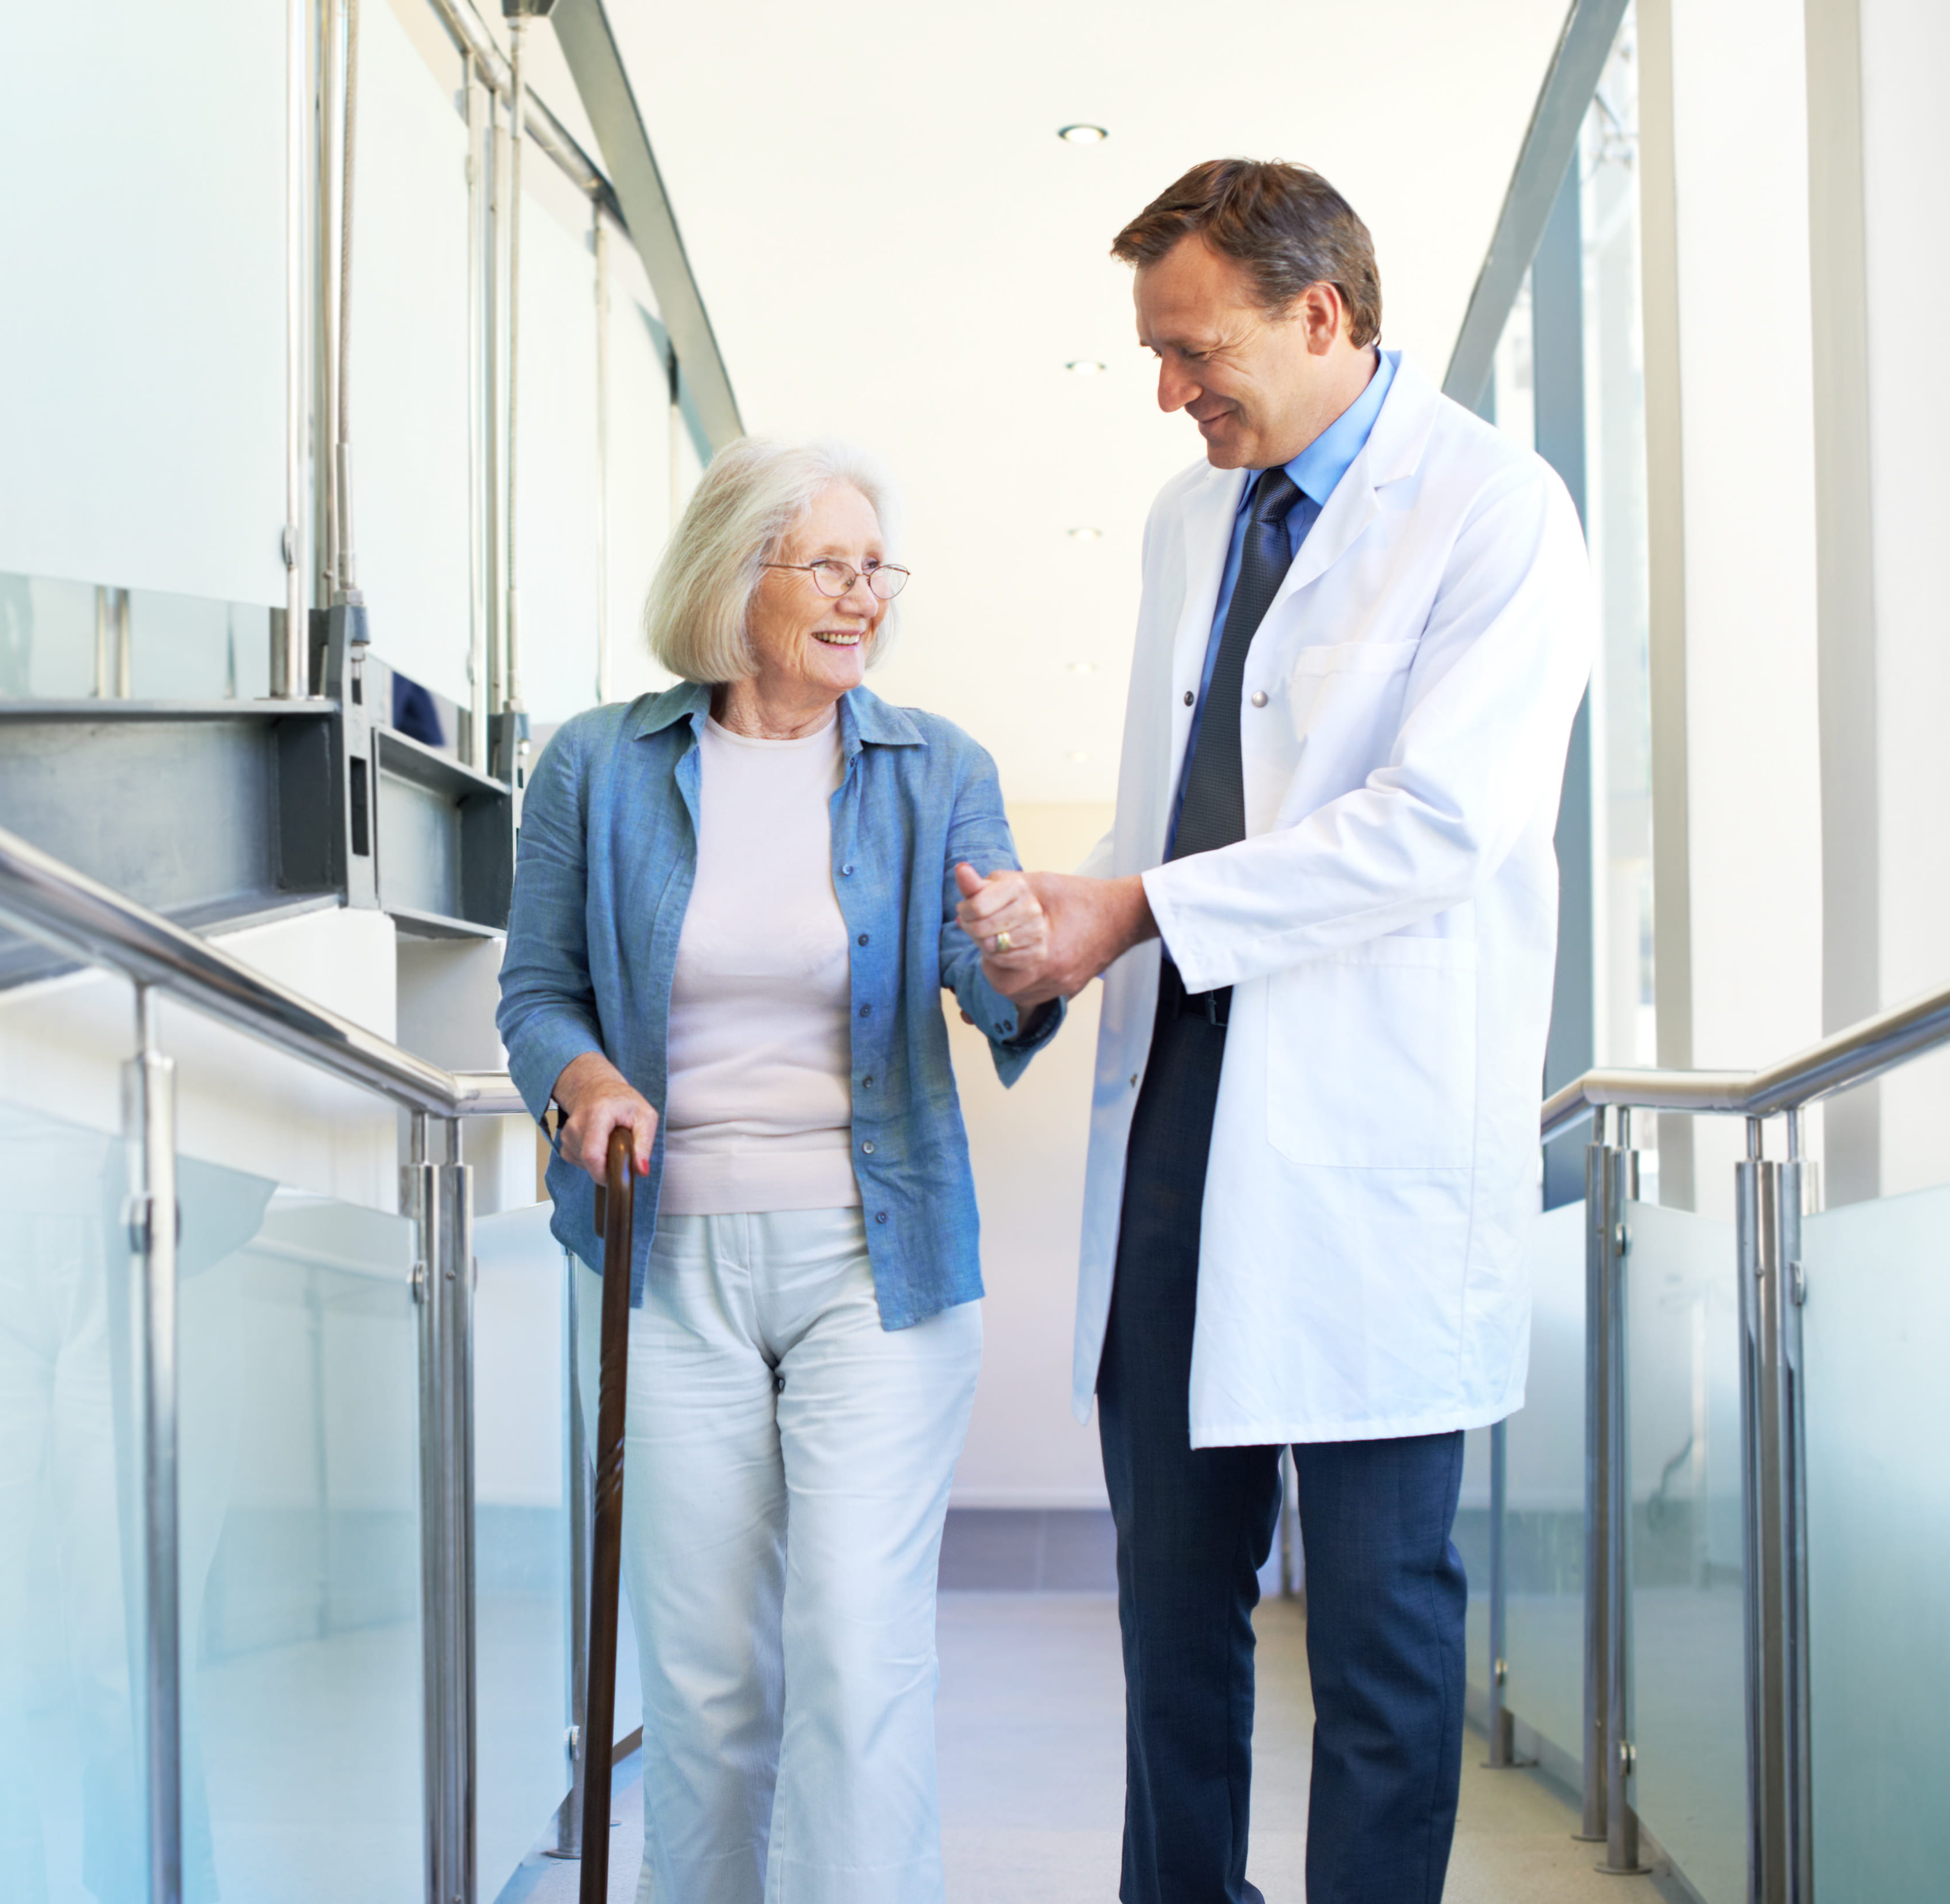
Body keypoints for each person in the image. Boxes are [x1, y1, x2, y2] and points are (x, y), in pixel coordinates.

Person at [967, 161, 1594, 1903]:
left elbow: (1440, 826)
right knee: (1173, 1611)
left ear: (1321, 314)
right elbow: (1182, 809)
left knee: (1385, 1631)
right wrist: (1066, 922)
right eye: (1158, 360)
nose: (1171, 394)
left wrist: (1141, 909)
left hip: (1370, 1135)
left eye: (1193, 350)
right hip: (1178, 1108)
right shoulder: (1197, 517)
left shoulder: (1496, 508)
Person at [497, 436, 1061, 1904]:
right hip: (665, 1262)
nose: (862, 595)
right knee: (702, 1674)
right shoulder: (594, 766)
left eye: (877, 567)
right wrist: (584, 1075)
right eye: (830, 562)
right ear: (734, 573)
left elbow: (992, 976)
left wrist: (1016, 952)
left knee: (855, 1648)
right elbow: (537, 990)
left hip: (878, 1269)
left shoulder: (934, 766)